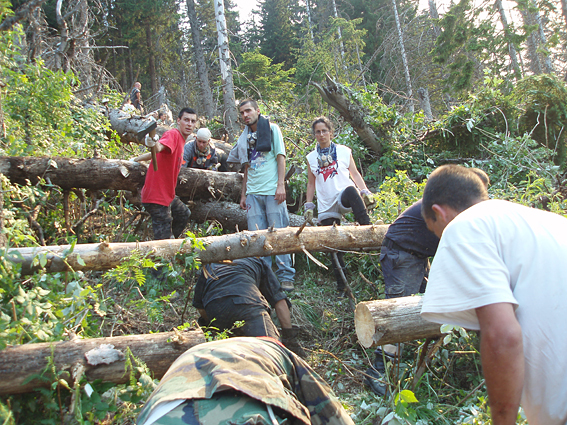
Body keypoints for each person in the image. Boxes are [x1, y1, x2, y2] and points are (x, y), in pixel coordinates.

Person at [420, 164, 567, 425]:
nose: (440, 238)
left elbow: (503, 336)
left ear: (439, 213)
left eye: (435, 232)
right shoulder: (548, 221)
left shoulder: (464, 226)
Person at [365, 168, 490, 396]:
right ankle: (378, 373)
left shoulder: (453, 207)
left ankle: (423, 358)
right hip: (402, 254)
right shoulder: (446, 206)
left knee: (430, 304)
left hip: (418, 255)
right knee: (396, 313)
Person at [136, 337, 355, 425]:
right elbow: (329, 411)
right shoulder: (281, 354)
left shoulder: (194, 352)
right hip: (238, 416)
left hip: (159, 416)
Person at [227, 99, 295, 291]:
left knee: (279, 233)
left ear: (257, 111)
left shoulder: (272, 129)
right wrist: (243, 194)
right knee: (257, 237)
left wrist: (281, 185)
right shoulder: (244, 137)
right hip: (253, 194)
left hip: (272, 191)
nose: (245, 115)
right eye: (242, 113)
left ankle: (286, 276)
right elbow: (246, 167)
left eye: (248, 111)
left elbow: (280, 157)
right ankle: (265, 277)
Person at [304, 116, 376, 296]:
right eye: (317, 132)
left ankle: (368, 230)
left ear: (331, 132)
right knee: (333, 248)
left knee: (352, 190)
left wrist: (365, 191)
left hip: (342, 197)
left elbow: (355, 174)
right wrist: (309, 205)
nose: (321, 135)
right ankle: (342, 286)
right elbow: (311, 183)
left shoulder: (344, 151)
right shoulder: (311, 157)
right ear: (314, 135)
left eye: (324, 131)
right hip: (326, 204)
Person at [193, 257, 304, 357]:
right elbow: (279, 301)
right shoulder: (257, 261)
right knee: (271, 353)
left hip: (216, 307)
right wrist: (289, 337)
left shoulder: (210, 265)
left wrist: (216, 325)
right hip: (248, 306)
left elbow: (200, 307)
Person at [131, 108, 197, 240]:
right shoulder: (173, 134)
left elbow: (156, 152)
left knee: (183, 213)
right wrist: (153, 143)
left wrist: (137, 159)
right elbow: (159, 147)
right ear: (178, 121)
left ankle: (170, 241)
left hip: (167, 195)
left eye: (192, 121)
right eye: (186, 120)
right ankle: (163, 252)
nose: (189, 124)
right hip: (156, 197)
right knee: (163, 241)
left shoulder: (181, 140)